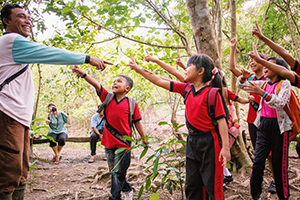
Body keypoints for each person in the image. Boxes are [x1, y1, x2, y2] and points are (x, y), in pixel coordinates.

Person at [0, 3, 112, 200]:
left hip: (18, 117)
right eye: (21, 16)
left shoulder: (15, 46)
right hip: (8, 114)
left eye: (28, 17)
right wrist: (87, 58)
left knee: (20, 173)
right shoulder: (11, 41)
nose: (27, 21)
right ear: (7, 21)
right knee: (8, 174)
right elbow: (49, 53)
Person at [128, 54, 231, 199]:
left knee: (212, 184)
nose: (185, 68)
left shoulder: (213, 93)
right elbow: (158, 80)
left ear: (200, 71)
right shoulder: (186, 89)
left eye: (189, 65)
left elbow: (222, 122)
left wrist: (225, 149)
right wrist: (138, 70)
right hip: (192, 141)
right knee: (192, 184)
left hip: (210, 142)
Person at [144, 50, 254, 185]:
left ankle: (224, 175)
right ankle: (223, 174)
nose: (186, 70)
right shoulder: (190, 88)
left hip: (214, 133)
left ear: (203, 72)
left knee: (213, 171)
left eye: (190, 66)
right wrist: (152, 62)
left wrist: (246, 103)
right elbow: (172, 74)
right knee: (197, 177)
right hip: (195, 138)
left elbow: (229, 111)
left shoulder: (217, 92)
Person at [71, 65, 148, 200]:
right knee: (113, 172)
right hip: (109, 142)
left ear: (127, 88)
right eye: (114, 81)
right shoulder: (107, 98)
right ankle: (125, 189)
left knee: (119, 172)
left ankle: (115, 196)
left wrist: (144, 138)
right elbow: (96, 84)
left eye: (119, 81)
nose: (115, 83)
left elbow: (137, 122)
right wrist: (83, 74)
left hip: (124, 144)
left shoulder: (131, 103)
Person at [237, 44, 291, 200]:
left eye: (270, 65)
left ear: (280, 69)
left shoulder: (284, 84)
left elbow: (280, 103)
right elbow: (242, 86)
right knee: (258, 161)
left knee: (278, 164)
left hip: (280, 128)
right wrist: (243, 77)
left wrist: (263, 94)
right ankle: (255, 195)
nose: (266, 67)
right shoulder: (265, 83)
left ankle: (284, 196)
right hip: (263, 126)